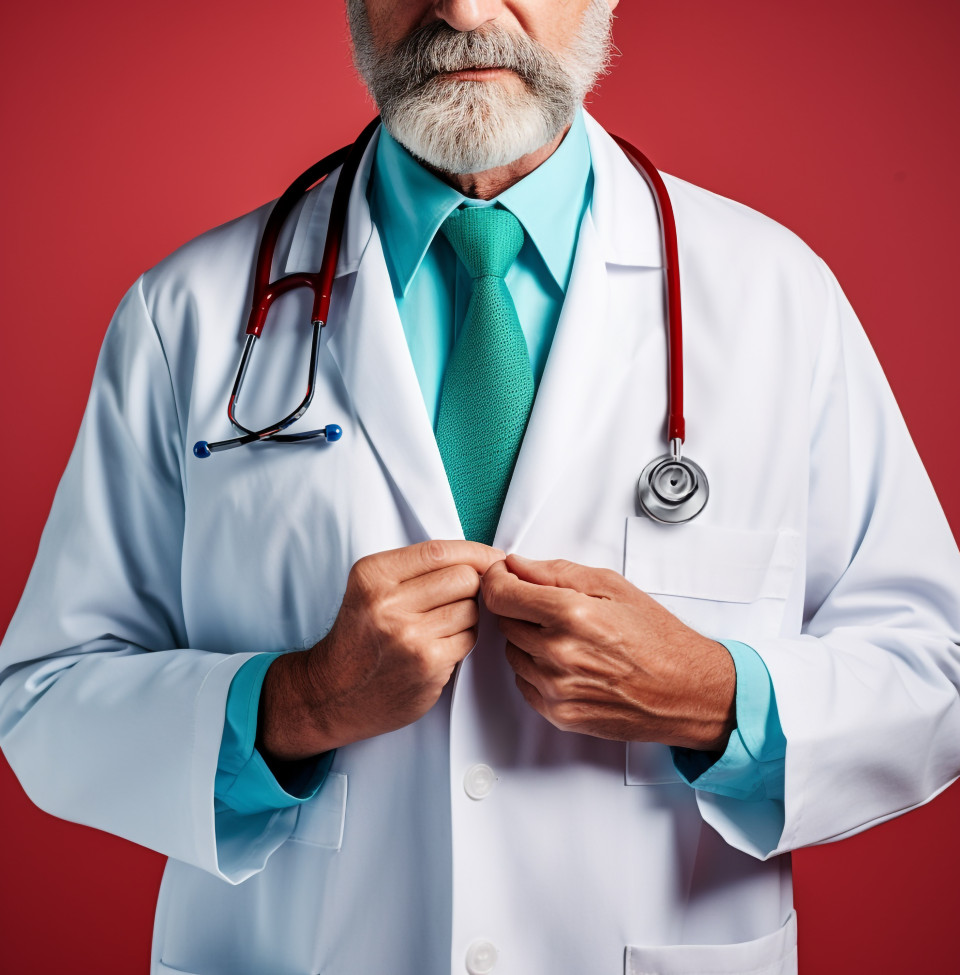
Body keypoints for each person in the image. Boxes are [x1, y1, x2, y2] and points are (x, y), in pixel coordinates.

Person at [1, 1, 959, 973]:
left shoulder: (773, 298)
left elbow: (937, 670)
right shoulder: (190, 316)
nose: (460, 8)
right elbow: (47, 699)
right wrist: (294, 706)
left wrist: (716, 698)